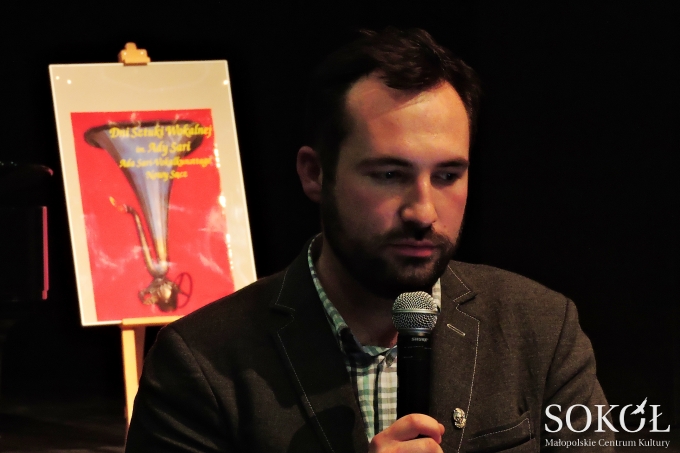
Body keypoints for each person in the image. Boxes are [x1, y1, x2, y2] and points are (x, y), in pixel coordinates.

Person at [126, 27, 614, 452]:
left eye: (447, 176)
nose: (423, 212)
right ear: (315, 173)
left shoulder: (541, 328)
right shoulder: (203, 361)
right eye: (388, 174)